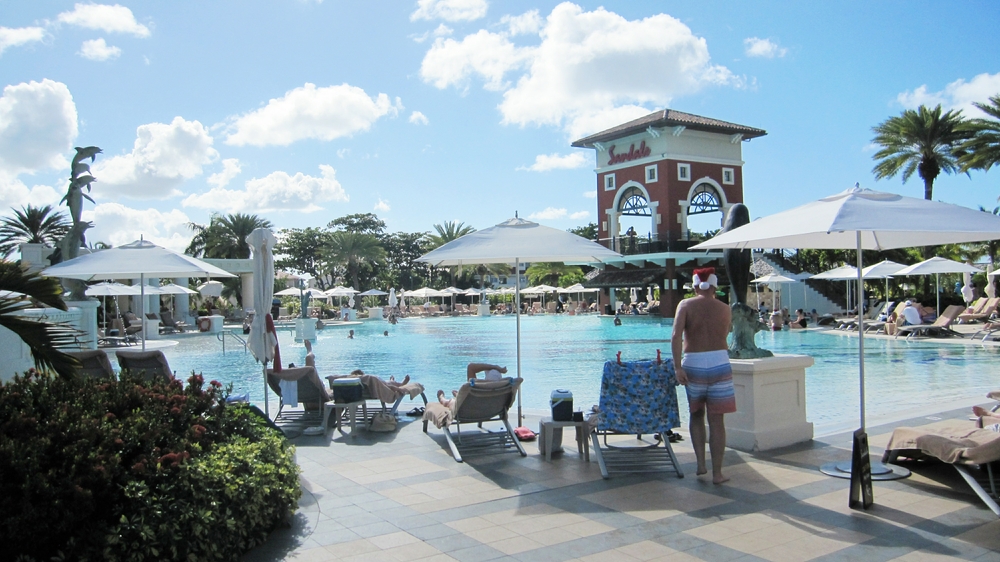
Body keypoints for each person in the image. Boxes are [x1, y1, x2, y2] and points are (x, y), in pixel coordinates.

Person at [671, 267, 735, 484]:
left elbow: (676, 336)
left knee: (696, 414)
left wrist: (677, 367)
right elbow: (725, 334)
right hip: (719, 362)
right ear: (715, 286)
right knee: (717, 420)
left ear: (695, 285)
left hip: (694, 363)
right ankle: (717, 473)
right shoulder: (725, 308)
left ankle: (700, 464)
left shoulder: (686, 305)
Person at [436, 363, 508, 407]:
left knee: (448, 402)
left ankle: (441, 397)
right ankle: (459, 395)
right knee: (465, 396)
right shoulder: (501, 389)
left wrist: (495, 367)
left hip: (470, 409)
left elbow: (471, 367)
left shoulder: (477, 386)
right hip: (490, 410)